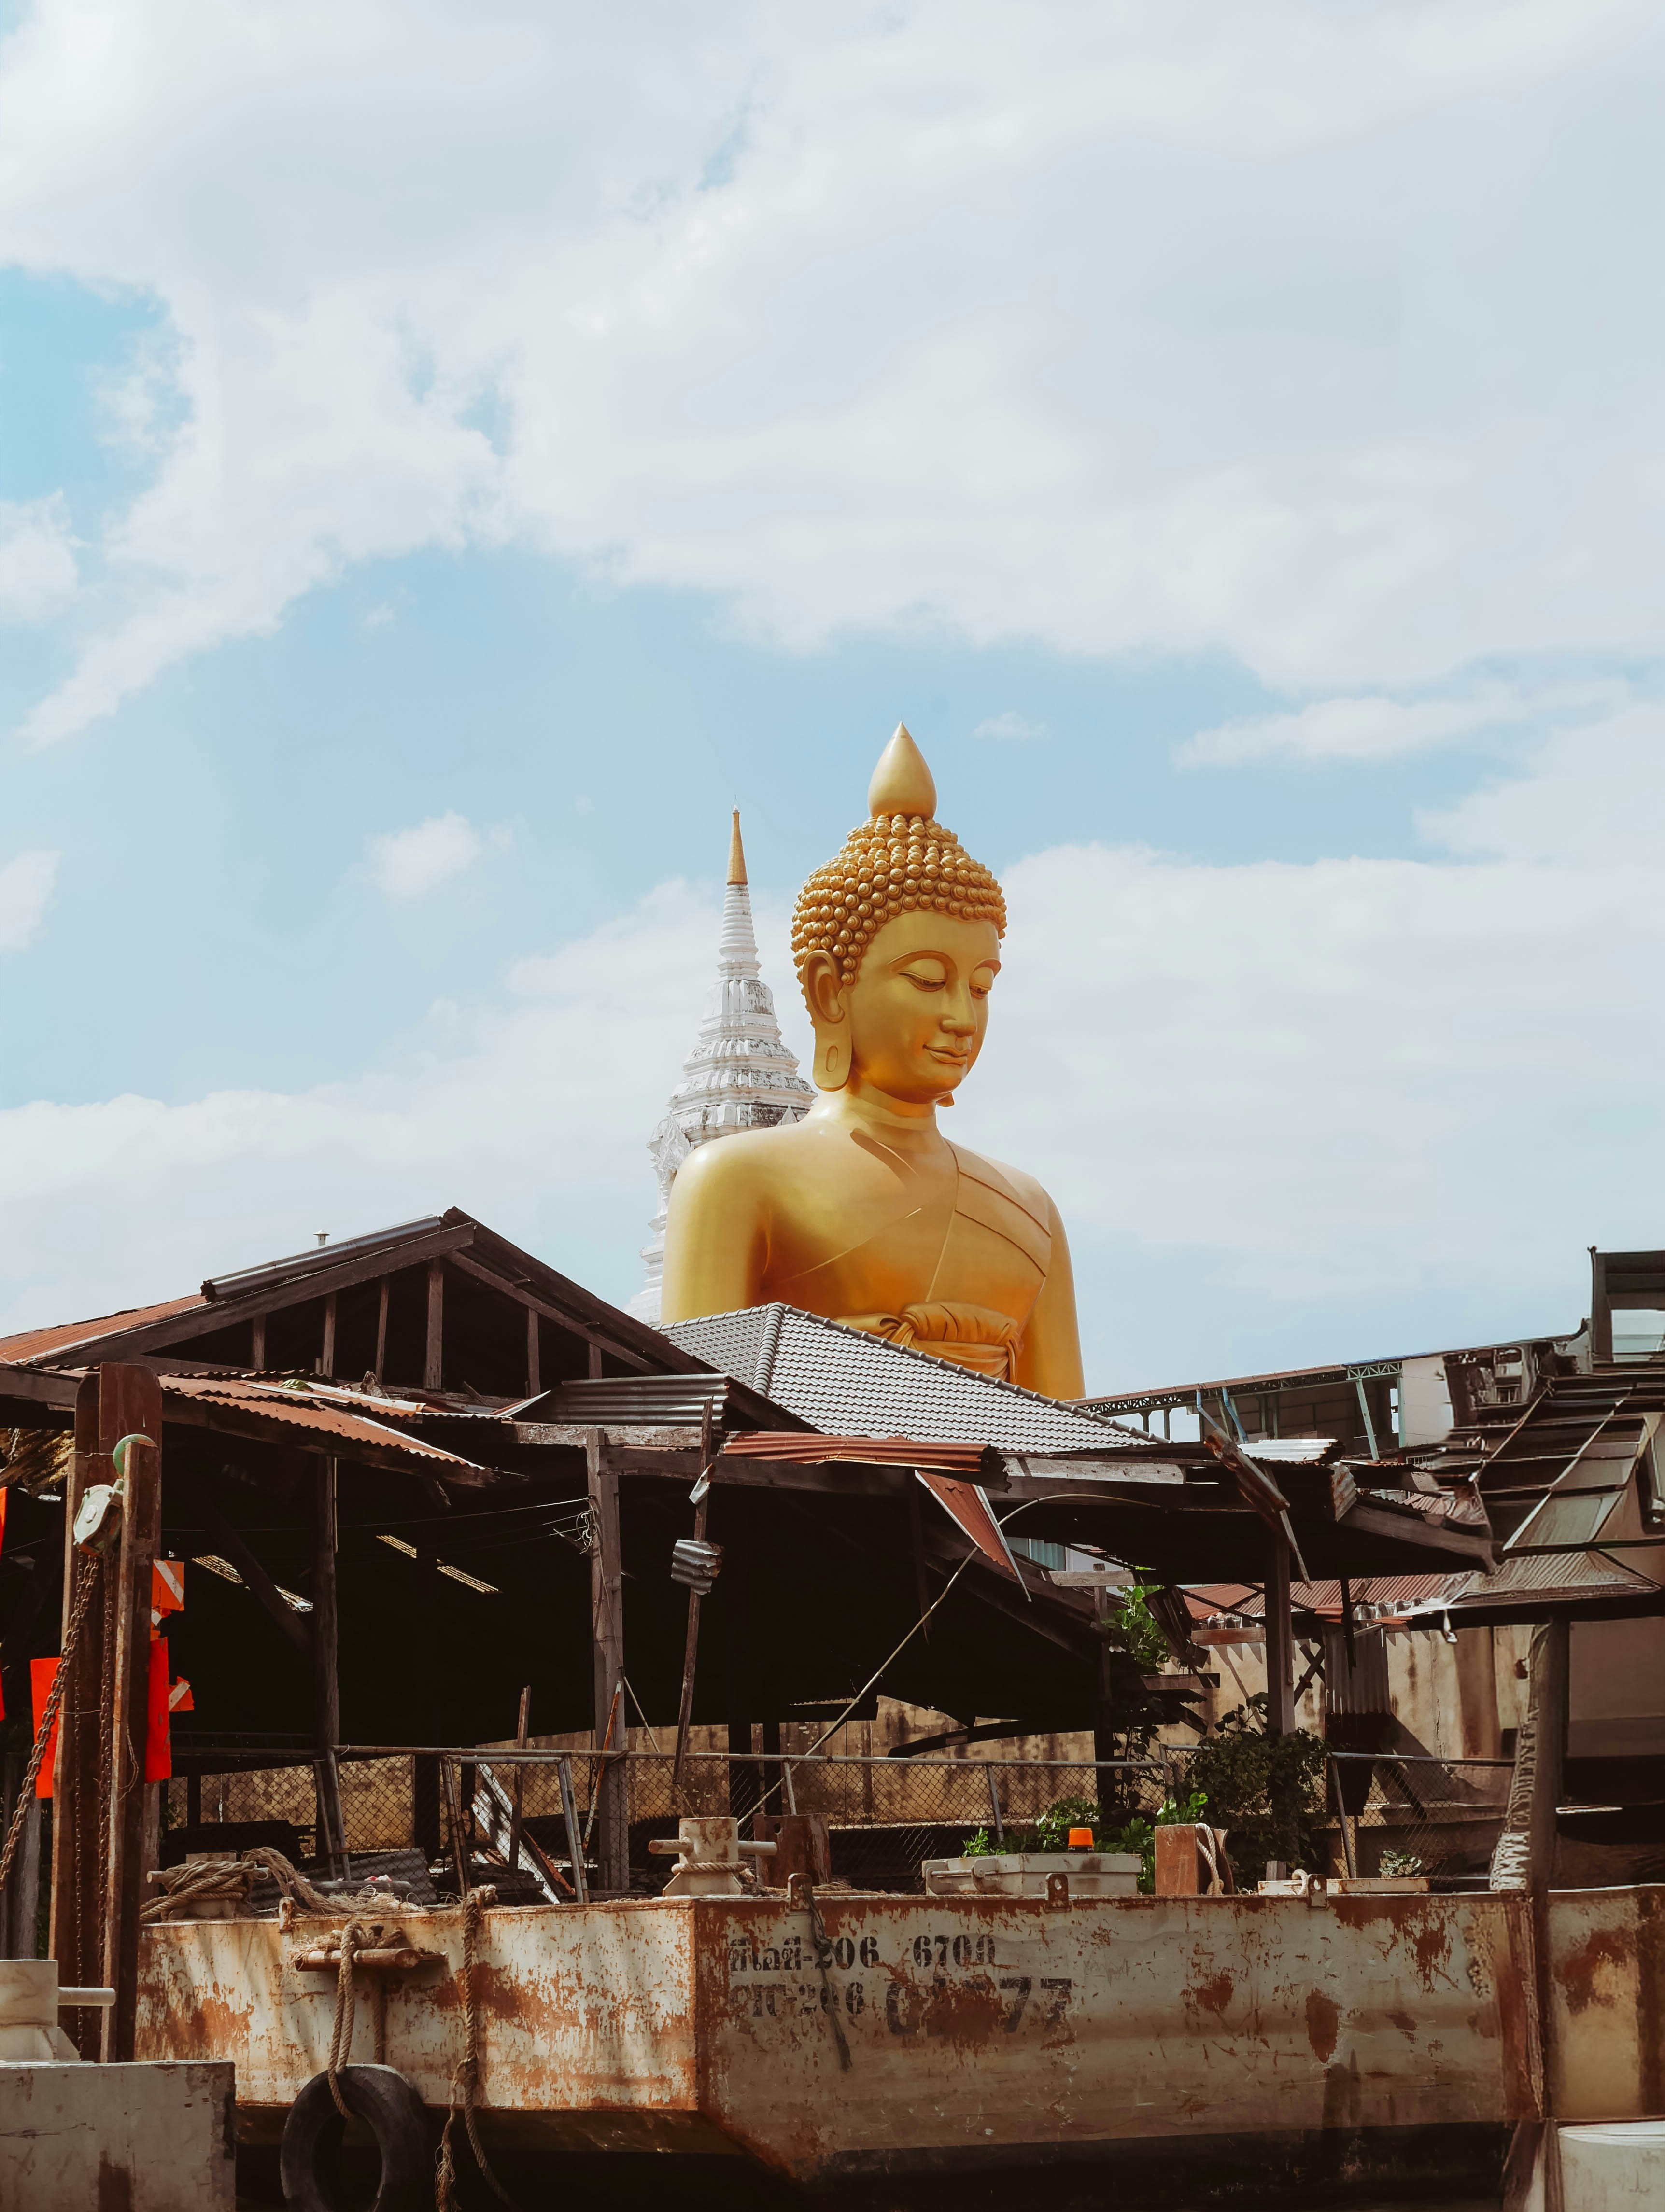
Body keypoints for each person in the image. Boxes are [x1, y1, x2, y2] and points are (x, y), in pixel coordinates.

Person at [660, 724, 1084, 1399]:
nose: (961, 1016)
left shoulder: (1029, 1210)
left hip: (1002, 1505)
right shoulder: (737, 1179)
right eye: (926, 977)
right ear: (832, 989)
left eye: (981, 986)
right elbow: (699, 1428)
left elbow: (1066, 1449)